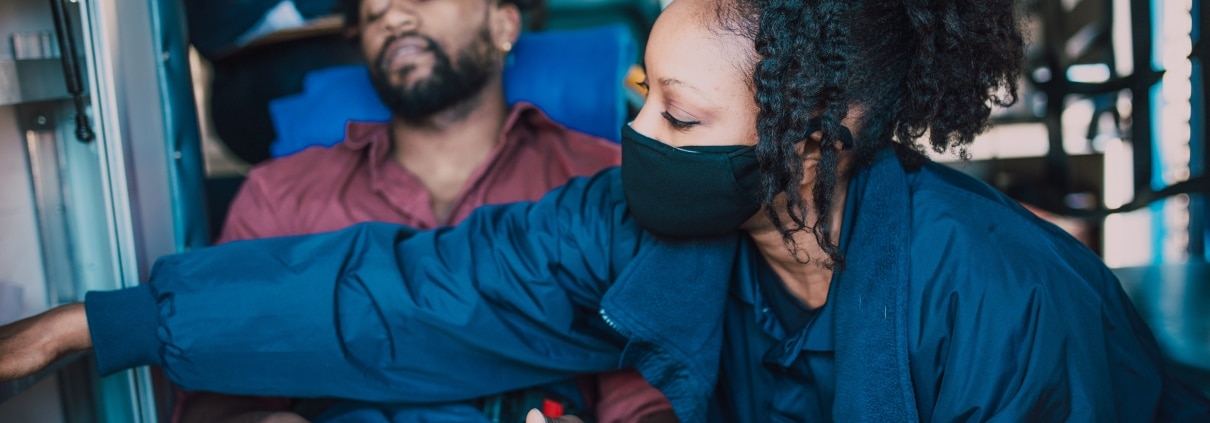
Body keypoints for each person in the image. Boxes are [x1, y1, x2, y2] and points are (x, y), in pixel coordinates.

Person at [3, 0, 1210, 421]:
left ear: (817, 133)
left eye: (679, 121)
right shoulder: (640, 224)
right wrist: (93, 327)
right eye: (643, 101)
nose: (636, 142)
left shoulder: (1003, 304)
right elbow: (413, 294)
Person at [179, 0, 674, 421]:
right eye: (374, 14)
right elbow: (213, 379)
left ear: (503, 22)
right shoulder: (281, 196)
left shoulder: (602, 182)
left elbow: (652, 381)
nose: (393, 17)